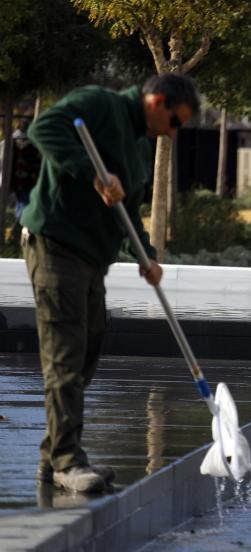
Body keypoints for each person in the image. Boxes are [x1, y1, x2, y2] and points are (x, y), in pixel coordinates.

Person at [22, 72, 199, 494]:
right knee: (65, 352)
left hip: (90, 259)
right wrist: (92, 174)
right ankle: (67, 461)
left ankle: (54, 456)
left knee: (91, 345)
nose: (174, 133)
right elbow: (42, 128)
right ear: (157, 101)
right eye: (175, 121)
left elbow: (127, 216)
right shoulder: (100, 104)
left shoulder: (137, 145)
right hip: (56, 245)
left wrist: (146, 256)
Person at [11, 127, 42, 223]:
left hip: (20, 181)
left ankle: (20, 220)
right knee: (23, 201)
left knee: (22, 200)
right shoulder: (32, 147)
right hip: (26, 181)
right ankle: (21, 220)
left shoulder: (12, 145)